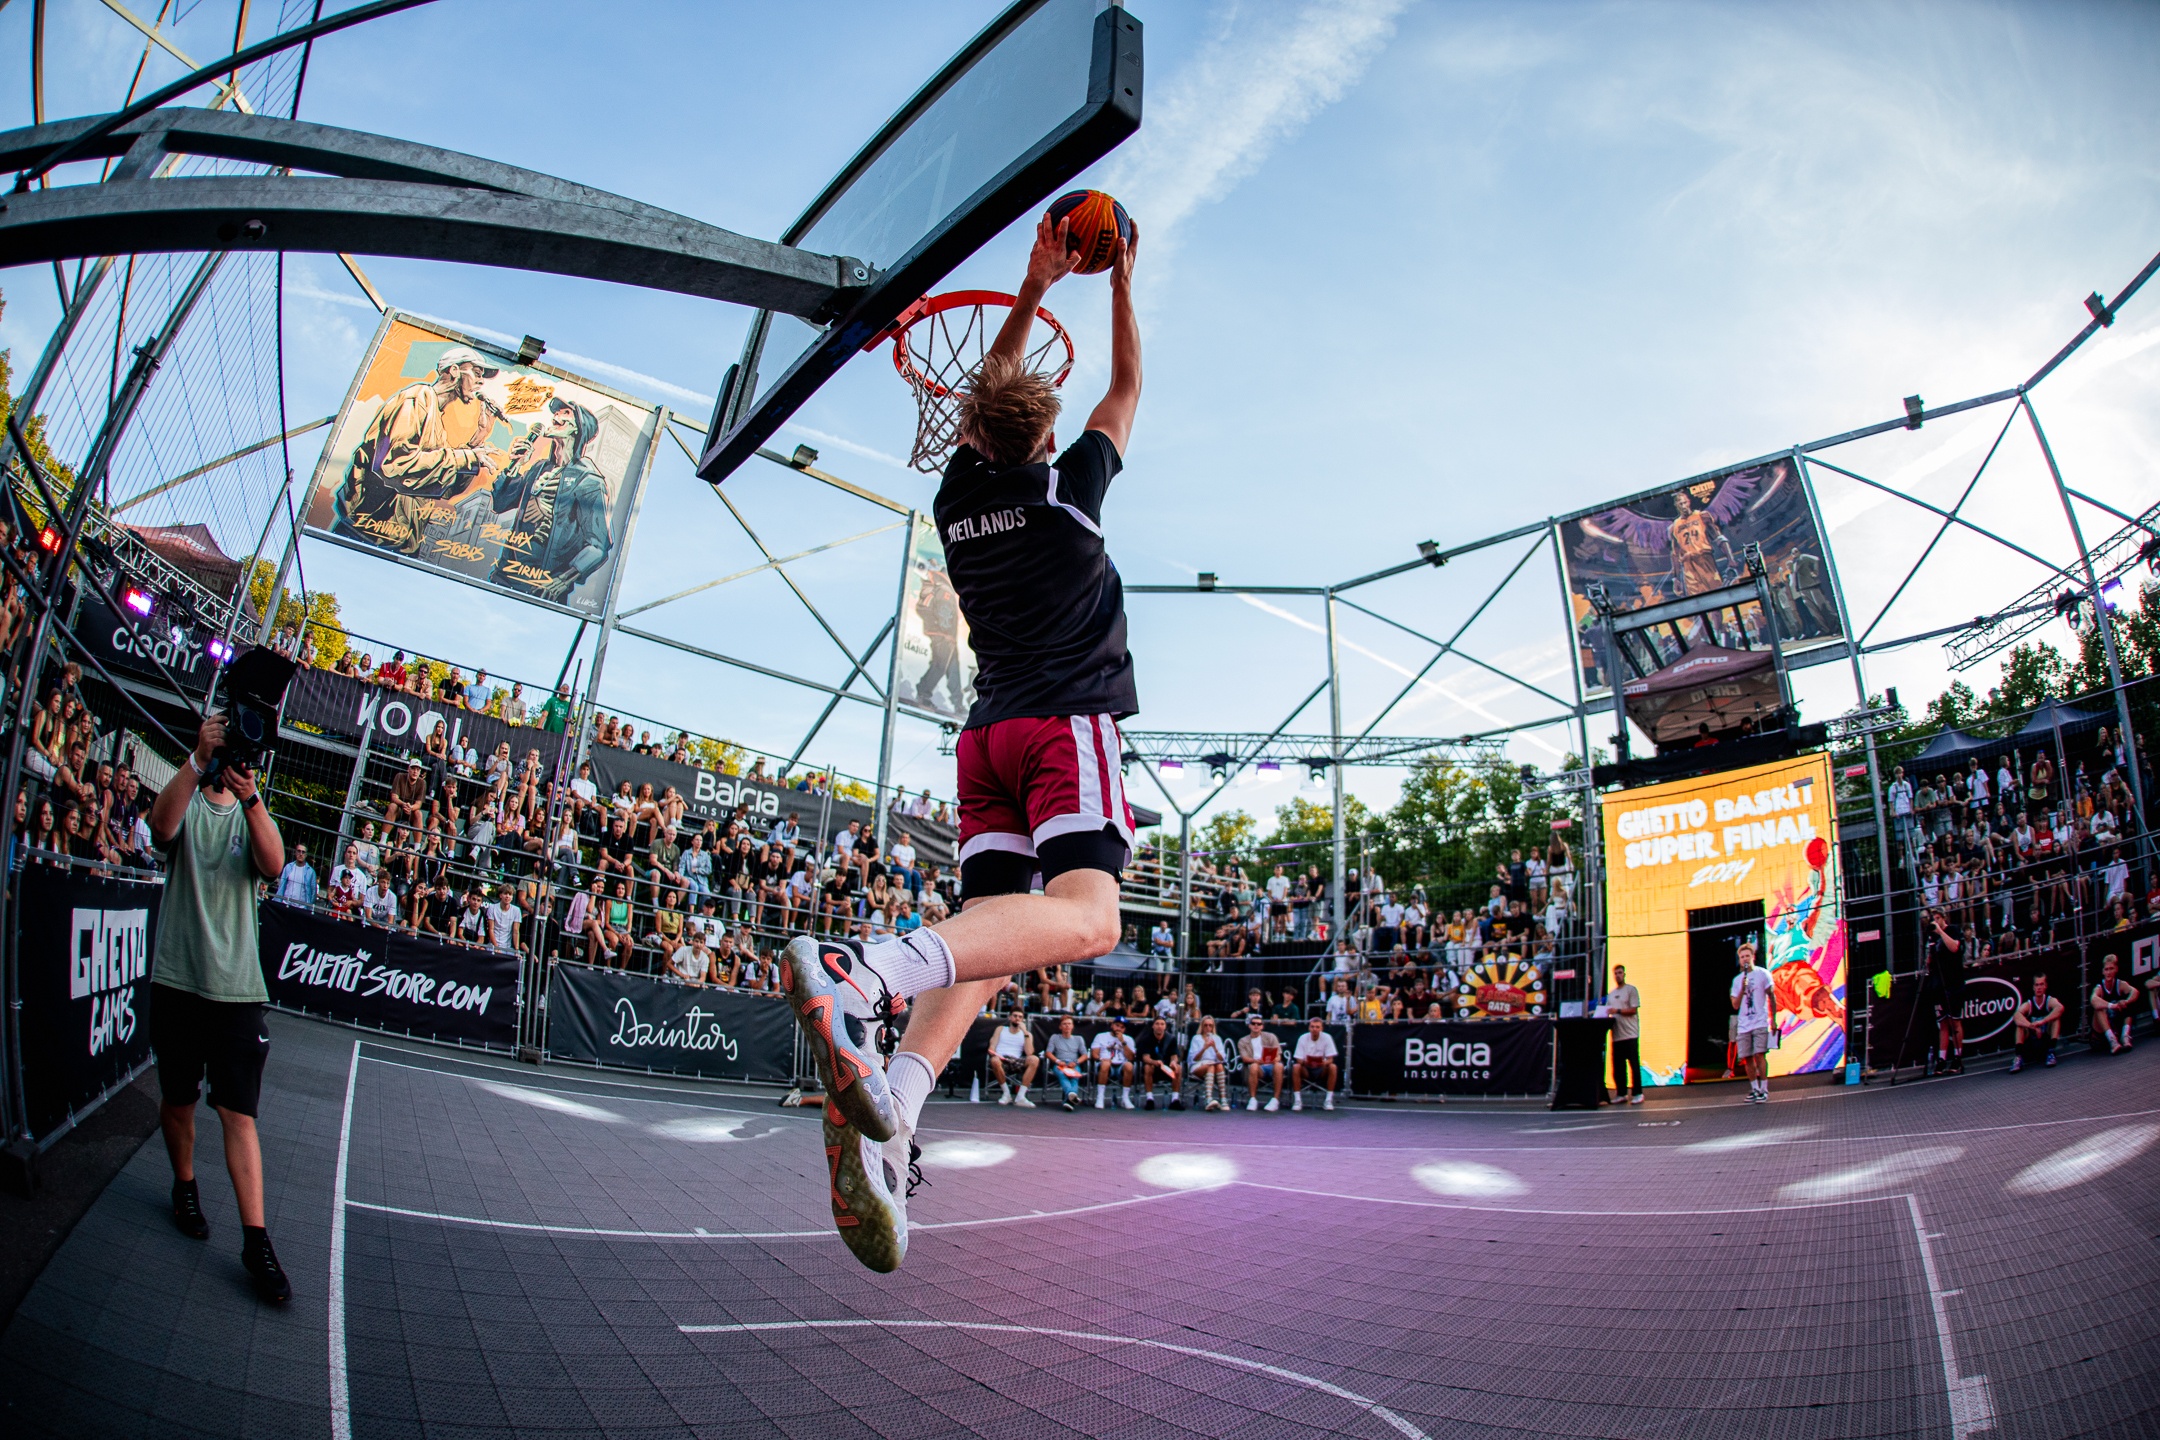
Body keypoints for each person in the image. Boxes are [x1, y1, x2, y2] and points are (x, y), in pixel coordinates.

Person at [776, 208, 1143, 1271]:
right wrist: (1120, 282)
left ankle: (895, 1110)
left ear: (970, 436)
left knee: (993, 939)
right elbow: (1125, 389)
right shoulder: (1070, 498)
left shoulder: (955, 500)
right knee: (1088, 921)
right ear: (1047, 441)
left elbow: (996, 396)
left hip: (985, 739)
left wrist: (1033, 286)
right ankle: (863, 971)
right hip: (1060, 729)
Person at [147, 712, 293, 1304]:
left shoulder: (250, 810)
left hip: (236, 990)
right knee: (178, 1100)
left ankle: (256, 1241)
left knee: (239, 1114)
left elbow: (274, 864)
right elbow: (160, 828)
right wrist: (195, 758)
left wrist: (251, 796)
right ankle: (184, 1186)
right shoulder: (186, 796)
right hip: (178, 980)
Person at [1731, 941, 1776, 1103]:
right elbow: (1735, 1005)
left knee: (1759, 1054)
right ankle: (1754, 1089)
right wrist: (1742, 989)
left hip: (1760, 1021)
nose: (1745, 959)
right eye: (1742, 957)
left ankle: (1764, 1088)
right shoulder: (1737, 980)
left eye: (1747, 956)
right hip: (1744, 1025)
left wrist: (1774, 1019)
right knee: (1747, 1057)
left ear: (1753, 957)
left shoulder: (1763, 974)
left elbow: (1772, 996)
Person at [1924, 909, 1965, 1074]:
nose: (1935, 921)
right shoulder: (1932, 937)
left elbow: (1955, 947)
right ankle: (1941, 1059)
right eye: (1933, 919)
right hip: (1939, 985)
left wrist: (1940, 932)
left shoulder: (1953, 930)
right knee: (1943, 1023)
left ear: (1943, 918)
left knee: (1955, 1021)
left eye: (1938, 918)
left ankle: (1957, 1057)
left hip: (1954, 982)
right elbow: (1929, 962)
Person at [2010, 972, 2063, 1072]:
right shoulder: (2029, 1004)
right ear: (2033, 987)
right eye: (2036, 985)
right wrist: (2032, 1026)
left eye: (2041, 984)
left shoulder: (2049, 1000)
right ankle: (2018, 1058)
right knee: (2020, 1025)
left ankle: (2051, 1053)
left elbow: (2060, 1008)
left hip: (2046, 1043)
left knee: (2056, 1018)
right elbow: (2016, 1016)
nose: (2039, 987)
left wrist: (2042, 1021)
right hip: (2031, 1045)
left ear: (2045, 986)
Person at [1606, 963, 1643, 1104]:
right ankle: (1621, 1093)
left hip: (1630, 1034)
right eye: (1615, 973)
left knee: (1633, 1064)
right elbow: (1607, 1011)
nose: (1618, 976)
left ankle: (1638, 1093)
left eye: (1620, 973)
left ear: (1624, 974)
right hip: (1617, 1035)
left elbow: (1633, 1010)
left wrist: (1618, 1011)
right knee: (1618, 1066)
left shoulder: (1631, 990)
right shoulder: (1611, 994)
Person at [987, 1010, 1038, 1106]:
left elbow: (1029, 1053)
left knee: (1034, 1059)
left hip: (1016, 1060)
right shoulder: (1001, 1029)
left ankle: (1021, 1096)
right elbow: (992, 1046)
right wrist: (994, 1053)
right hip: (1001, 1058)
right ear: (1010, 1017)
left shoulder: (1027, 1034)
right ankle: (1006, 1094)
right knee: (994, 1060)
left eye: (1020, 1017)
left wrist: (1025, 1032)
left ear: (1023, 1020)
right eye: (1015, 1016)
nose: (1017, 1018)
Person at [1134, 1015, 1184, 1110]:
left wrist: (1173, 1062)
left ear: (1165, 1026)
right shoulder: (1146, 1039)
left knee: (1178, 1068)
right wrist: (1155, 1062)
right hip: (1154, 1068)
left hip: (1167, 1068)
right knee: (1148, 1067)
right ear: (1153, 1026)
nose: (1159, 1026)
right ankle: (1150, 1099)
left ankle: (1175, 1100)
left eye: (1162, 1024)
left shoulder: (1171, 1039)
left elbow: (1174, 1055)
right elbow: (1145, 1058)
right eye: (1157, 1024)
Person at [2091, 952, 2138, 1054]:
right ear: (2103, 971)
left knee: (2129, 1001)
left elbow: (2135, 992)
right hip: (2101, 1034)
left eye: (2111, 969)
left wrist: (2126, 1001)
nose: (2108, 972)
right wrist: (2113, 1006)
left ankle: (2125, 1036)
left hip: (2116, 1028)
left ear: (2116, 969)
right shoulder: (2099, 987)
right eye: (2106, 969)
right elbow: (2093, 999)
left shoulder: (2120, 984)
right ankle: (2112, 1041)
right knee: (2099, 1008)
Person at [1291, 1016, 1338, 1111]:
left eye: (1317, 1027)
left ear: (1321, 1028)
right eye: (1312, 1027)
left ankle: (1328, 1100)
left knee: (1333, 1067)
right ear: (1309, 1028)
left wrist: (1322, 1063)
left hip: (1321, 1069)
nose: (1314, 1029)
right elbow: (1298, 1059)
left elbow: (1330, 1059)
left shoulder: (1327, 1037)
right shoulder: (1302, 1038)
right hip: (1306, 1069)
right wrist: (1308, 1062)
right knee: (1296, 1067)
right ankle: (1297, 1100)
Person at [1239, 1014, 1284, 1112]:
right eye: (1253, 1023)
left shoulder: (1271, 1037)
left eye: (1259, 1024)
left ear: (1262, 1026)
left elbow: (1278, 1055)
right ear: (1249, 1025)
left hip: (1271, 1065)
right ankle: (1252, 1099)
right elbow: (1245, 1058)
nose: (1256, 1025)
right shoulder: (1243, 1041)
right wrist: (1256, 1061)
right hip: (1257, 1067)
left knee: (1279, 1066)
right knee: (1254, 1066)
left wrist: (1273, 1060)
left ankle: (1275, 1100)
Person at [1043, 1015, 1088, 1112]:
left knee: (1075, 1076)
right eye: (1064, 1024)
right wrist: (1058, 1061)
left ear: (1072, 1026)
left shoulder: (1078, 1039)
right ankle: (1071, 1095)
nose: (1067, 1026)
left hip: (1073, 1064)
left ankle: (1069, 1100)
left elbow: (1085, 1055)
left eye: (1069, 1024)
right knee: (1062, 1074)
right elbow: (1048, 1053)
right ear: (1060, 1027)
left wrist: (1075, 1062)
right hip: (1060, 1064)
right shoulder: (1055, 1037)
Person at [1091, 1017, 1138, 1110]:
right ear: (1112, 1025)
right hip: (1105, 1064)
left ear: (1124, 1029)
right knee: (1105, 1064)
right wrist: (1101, 1059)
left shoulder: (1129, 1039)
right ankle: (1100, 1097)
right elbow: (1094, 1054)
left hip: (1121, 1066)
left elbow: (1131, 1058)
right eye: (1117, 1025)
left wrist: (1123, 1042)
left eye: (1122, 1027)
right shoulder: (1100, 1036)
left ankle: (1125, 1098)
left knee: (1129, 1066)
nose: (1119, 1029)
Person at [1187, 1015, 1230, 1111]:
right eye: (1205, 1025)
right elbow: (1194, 1059)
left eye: (1210, 1025)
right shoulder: (1196, 1038)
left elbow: (1222, 1059)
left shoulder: (1217, 1038)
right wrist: (1204, 1048)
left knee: (1219, 1065)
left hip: (1214, 1064)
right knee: (1211, 1066)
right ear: (1202, 1026)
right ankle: (1208, 1099)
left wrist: (1215, 1048)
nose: (1208, 1028)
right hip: (1198, 1065)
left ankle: (1223, 1099)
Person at [273, 842, 318, 908]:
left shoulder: (311, 872)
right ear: (295, 853)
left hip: (301, 908)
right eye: (299, 851)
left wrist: (309, 908)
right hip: (286, 904)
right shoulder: (288, 867)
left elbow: (313, 893)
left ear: (306, 855)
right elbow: (281, 886)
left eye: (303, 852)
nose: (301, 854)